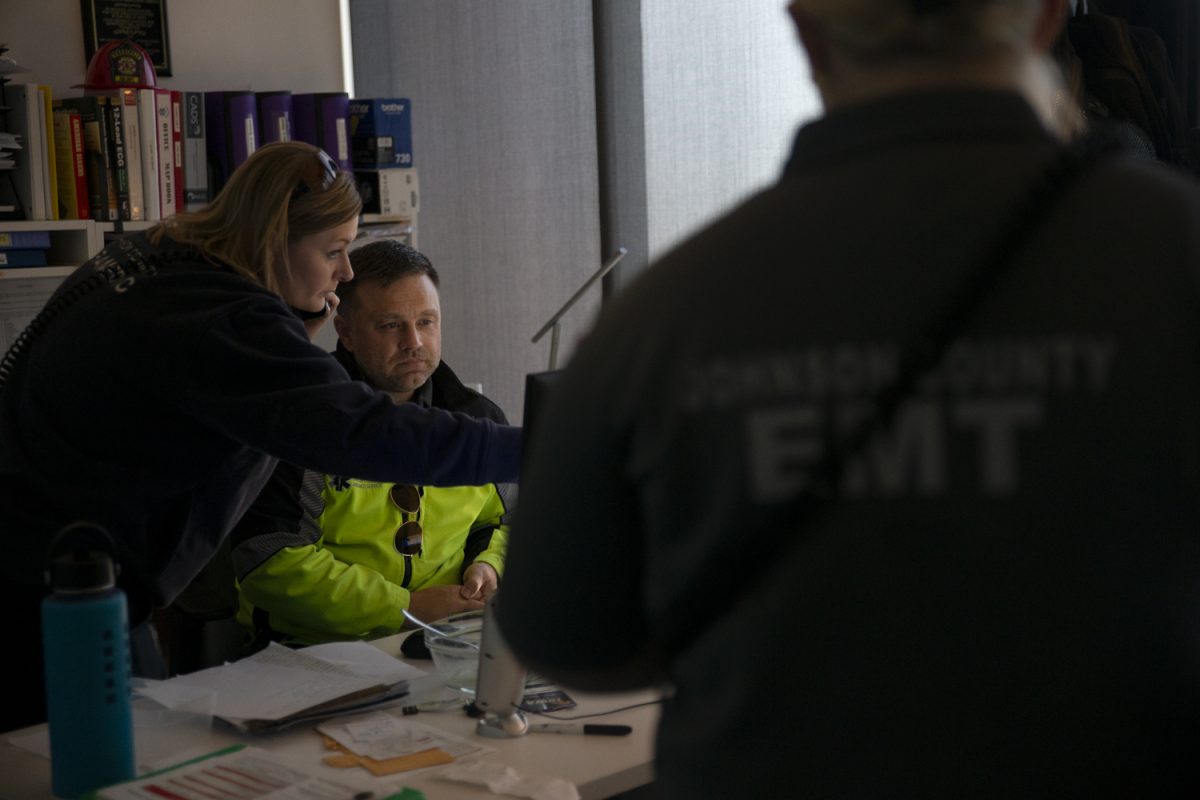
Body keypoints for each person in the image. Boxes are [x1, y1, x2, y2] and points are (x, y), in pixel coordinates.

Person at [497, 0, 1200, 796]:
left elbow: (563, 636)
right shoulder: (1175, 251)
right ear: (1043, 21)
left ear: (808, 32)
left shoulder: (665, 312)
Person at [0, 142, 519, 732]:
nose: (344, 272)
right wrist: (548, 447)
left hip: (59, 562)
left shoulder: (159, 258)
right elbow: (362, 433)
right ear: (274, 240)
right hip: (55, 595)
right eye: (334, 251)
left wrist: (287, 330)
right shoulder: (224, 318)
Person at [230, 239, 512, 646]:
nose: (414, 341)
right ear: (345, 332)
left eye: (427, 322)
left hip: (447, 638)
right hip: (315, 650)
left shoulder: (476, 419)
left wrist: (489, 566)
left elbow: (502, 522)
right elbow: (270, 559)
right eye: (391, 325)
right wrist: (404, 606)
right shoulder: (300, 423)